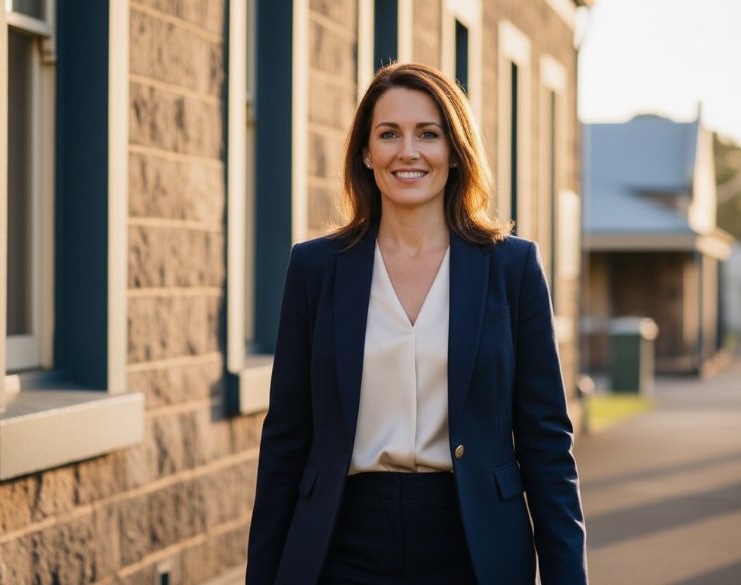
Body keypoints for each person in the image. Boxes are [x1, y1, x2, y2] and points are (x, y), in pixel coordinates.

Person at [246, 62, 587, 585]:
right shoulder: (315, 268)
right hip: (341, 540)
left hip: (472, 543)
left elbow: (546, 445)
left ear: (455, 150)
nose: (408, 151)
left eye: (428, 134)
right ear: (366, 152)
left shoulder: (511, 267)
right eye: (389, 134)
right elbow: (286, 441)